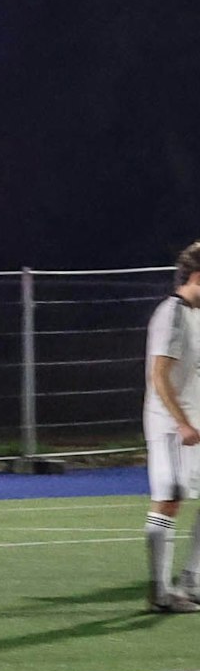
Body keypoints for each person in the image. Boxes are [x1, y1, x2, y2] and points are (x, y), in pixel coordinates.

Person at [143, 243, 200, 613]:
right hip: (171, 427)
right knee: (171, 497)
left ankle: (192, 582)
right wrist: (181, 423)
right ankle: (160, 592)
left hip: (193, 423)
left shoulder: (196, 315)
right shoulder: (173, 313)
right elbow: (159, 374)